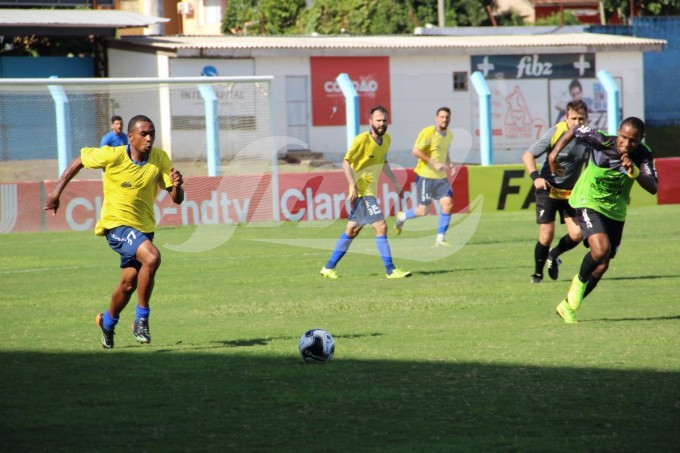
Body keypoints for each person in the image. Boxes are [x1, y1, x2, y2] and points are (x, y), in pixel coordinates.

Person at [44, 115, 185, 348]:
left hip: (144, 229)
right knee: (152, 257)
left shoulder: (159, 158)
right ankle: (141, 319)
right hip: (116, 226)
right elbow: (78, 161)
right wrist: (56, 193)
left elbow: (177, 199)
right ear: (130, 137)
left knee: (128, 285)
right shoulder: (114, 155)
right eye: (144, 134)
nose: (149, 139)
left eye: (152, 134)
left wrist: (178, 186)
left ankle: (107, 322)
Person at [548, 117, 657, 324]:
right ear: (618, 132)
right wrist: (553, 155)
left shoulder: (643, 154)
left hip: (615, 211)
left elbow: (653, 187)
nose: (626, 144)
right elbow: (576, 129)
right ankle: (578, 282)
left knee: (602, 264)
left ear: (640, 139)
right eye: (623, 137)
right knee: (601, 250)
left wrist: (632, 170)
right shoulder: (602, 140)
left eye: (633, 141)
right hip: (588, 200)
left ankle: (567, 306)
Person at [320, 105, 411, 279]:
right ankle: (391, 270)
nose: (381, 123)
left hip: (369, 191)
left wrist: (396, 183)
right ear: (370, 122)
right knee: (381, 226)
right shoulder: (361, 140)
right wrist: (353, 185)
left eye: (384, 120)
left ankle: (328, 267)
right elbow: (346, 162)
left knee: (352, 230)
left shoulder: (387, 140)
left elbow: (383, 162)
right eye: (378, 120)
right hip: (362, 192)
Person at [521, 100, 590, 284]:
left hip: (570, 193)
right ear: (566, 118)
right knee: (546, 235)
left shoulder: (589, 138)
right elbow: (528, 155)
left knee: (577, 234)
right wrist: (536, 176)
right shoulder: (555, 132)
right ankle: (537, 274)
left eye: (581, 118)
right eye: (573, 118)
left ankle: (554, 254)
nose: (577, 122)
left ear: (587, 119)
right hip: (548, 190)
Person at [394, 107, 456, 246]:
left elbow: (444, 152)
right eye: (442, 117)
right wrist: (434, 163)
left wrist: (449, 163)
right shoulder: (428, 132)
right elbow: (415, 151)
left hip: (441, 177)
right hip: (425, 176)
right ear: (436, 118)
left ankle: (440, 239)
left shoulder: (449, 135)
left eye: (447, 117)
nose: (444, 119)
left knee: (448, 204)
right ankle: (402, 217)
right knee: (423, 210)